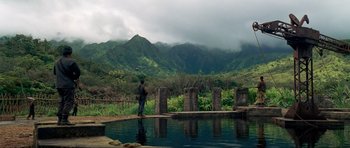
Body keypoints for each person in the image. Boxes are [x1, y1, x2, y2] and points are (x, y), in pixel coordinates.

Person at [54, 45, 80, 125]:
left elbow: (55, 73)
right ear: (70, 53)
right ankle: (64, 119)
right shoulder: (71, 62)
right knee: (69, 101)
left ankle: (59, 119)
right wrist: (74, 78)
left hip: (59, 85)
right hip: (68, 85)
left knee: (61, 101)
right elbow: (78, 73)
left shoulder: (57, 62)